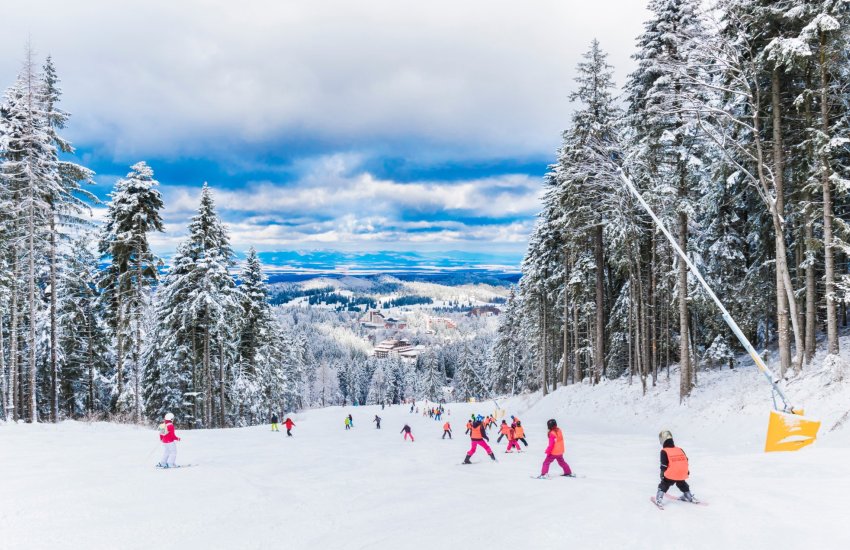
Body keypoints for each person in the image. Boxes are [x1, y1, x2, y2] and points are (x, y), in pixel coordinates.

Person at [655, 430, 698, 506]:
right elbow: (685, 461)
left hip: (671, 474)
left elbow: (664, 465)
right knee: (681, 482)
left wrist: (662, 473)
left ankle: (659, 497)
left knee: (665, 483)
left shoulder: (664, 451)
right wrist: (686, 471)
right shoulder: (679, 449)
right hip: (683, 473)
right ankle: (688, 495)